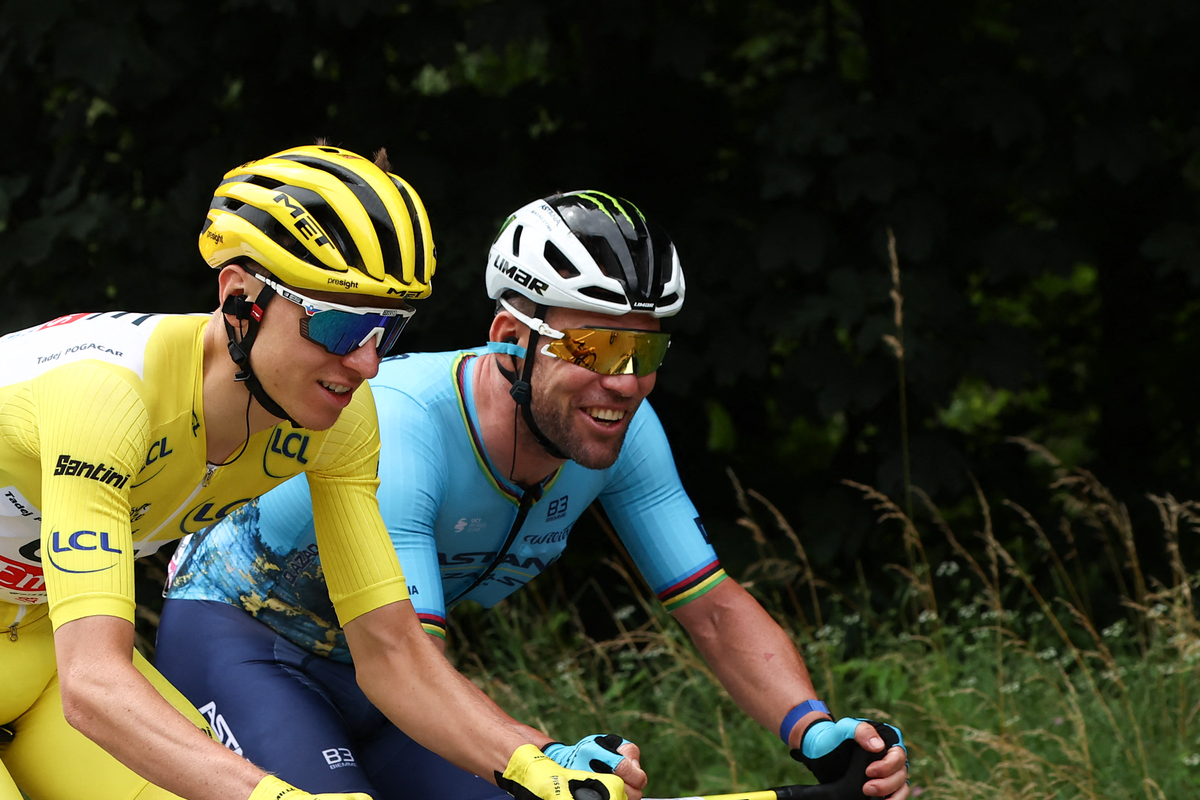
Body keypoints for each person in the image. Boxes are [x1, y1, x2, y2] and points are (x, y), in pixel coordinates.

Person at [158, 190, 910, 799]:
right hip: (249, 642)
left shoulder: (621, 428)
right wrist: (541, 755)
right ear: (511, 339)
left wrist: (812, 729)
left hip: (389, 677)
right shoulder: (404, 428)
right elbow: (409, 655)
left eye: (645, 348)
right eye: (595, 347)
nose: (625, 381)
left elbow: (712, 609)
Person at [0, 148, 631, 800]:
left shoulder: (340, 420)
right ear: (240, 296)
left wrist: (531, 760)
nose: (366, 364)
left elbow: (389, 652)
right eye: (338, 325)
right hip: (69, 672)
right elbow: (95, 684)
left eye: (386, 329)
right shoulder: (108, 401)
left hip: (37, 649)